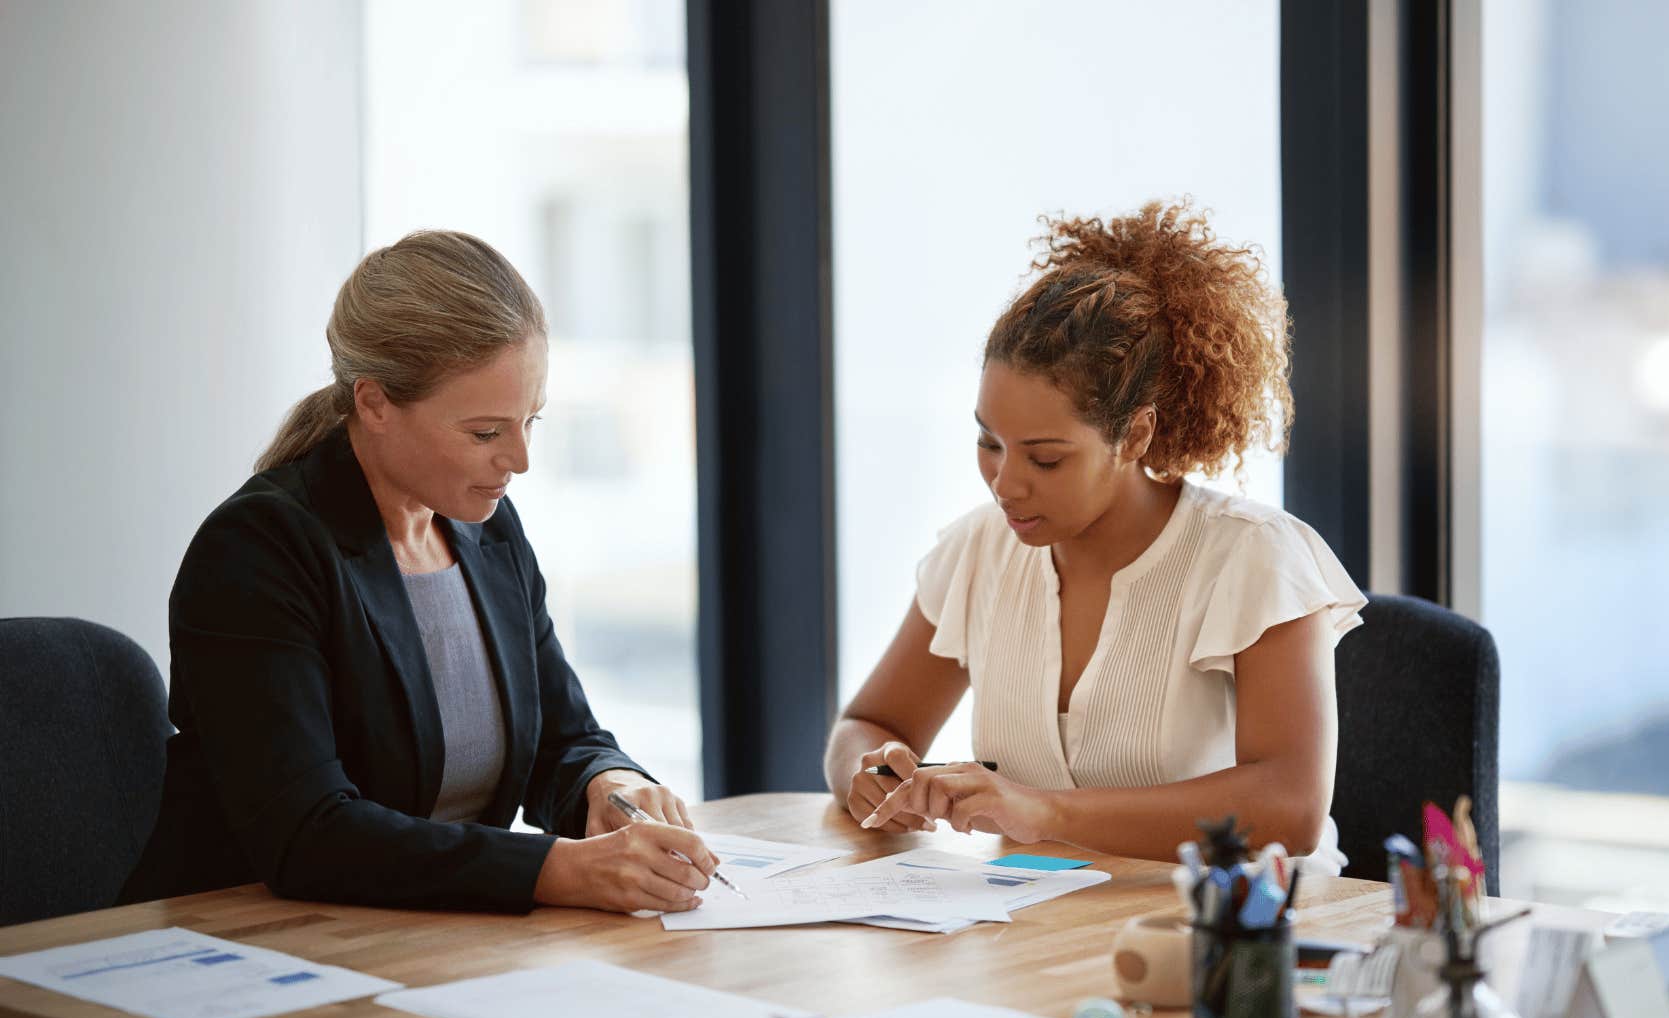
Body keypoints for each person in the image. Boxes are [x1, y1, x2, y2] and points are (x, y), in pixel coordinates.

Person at [120, 231, 717, 914]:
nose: (519, 460)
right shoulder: (257, 550)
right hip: (245, 949)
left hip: (428, 944)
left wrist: (608, 785)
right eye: (486, 433)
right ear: (374, 404)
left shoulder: (485, 530)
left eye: (531, 422)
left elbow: (564, 739)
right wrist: (557, 871)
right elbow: (309, 834)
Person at [825, 200, 1364, 870]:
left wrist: (1043, 812)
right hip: (1044, 932)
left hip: (1236, 939)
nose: (1005, 484)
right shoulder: (978, 552)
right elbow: (865, 727)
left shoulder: (1253, 559)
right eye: (989, 443)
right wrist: (873, 773)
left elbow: (1292, 808)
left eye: (1045, 457)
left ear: (1135, 435)